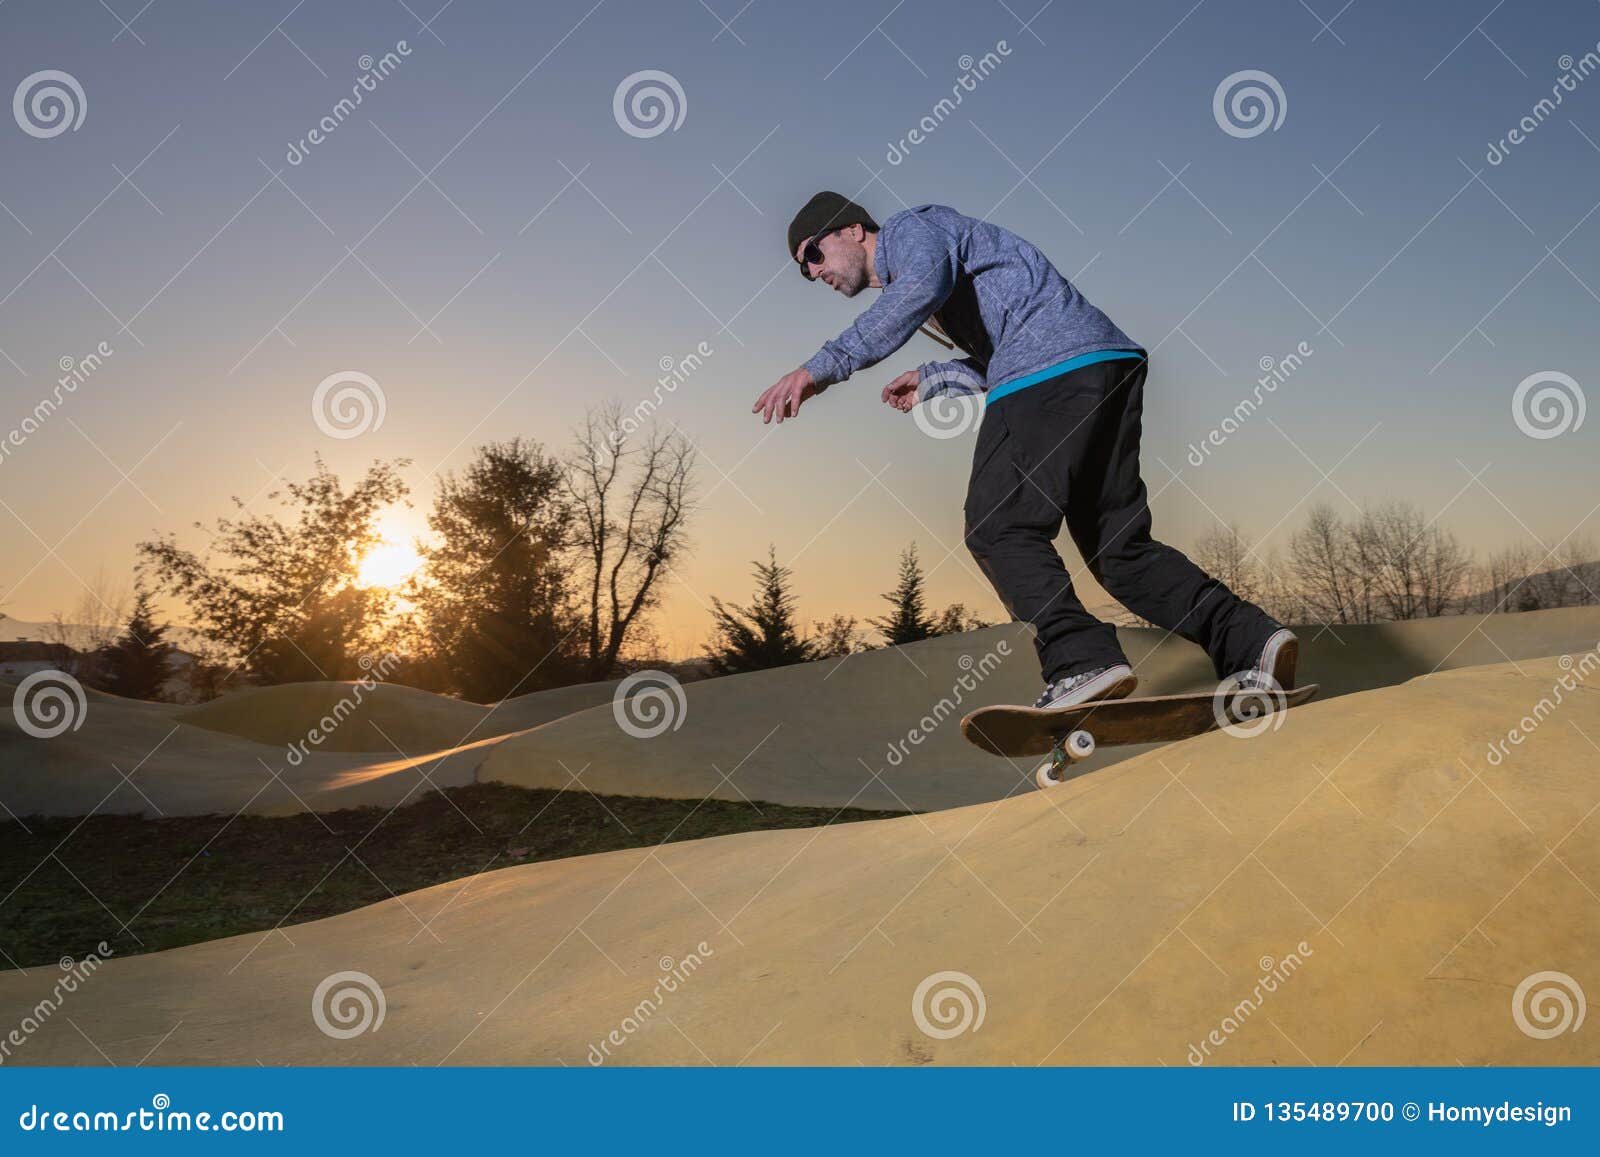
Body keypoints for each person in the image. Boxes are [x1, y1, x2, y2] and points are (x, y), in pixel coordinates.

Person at [752, 191, 1297, 710]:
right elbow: (1007, 344)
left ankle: (1080, 661)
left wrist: (819, 368)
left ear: (852, 230)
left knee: (997, 525)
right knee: (1120, 554)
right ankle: (1250, 639)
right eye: (804, 271)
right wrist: (936, 375)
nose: (814, 272)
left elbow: (917, 293)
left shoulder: (913, 230)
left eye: (814, 254)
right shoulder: (938, 271)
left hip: (1053, 373)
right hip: (1098, 367)